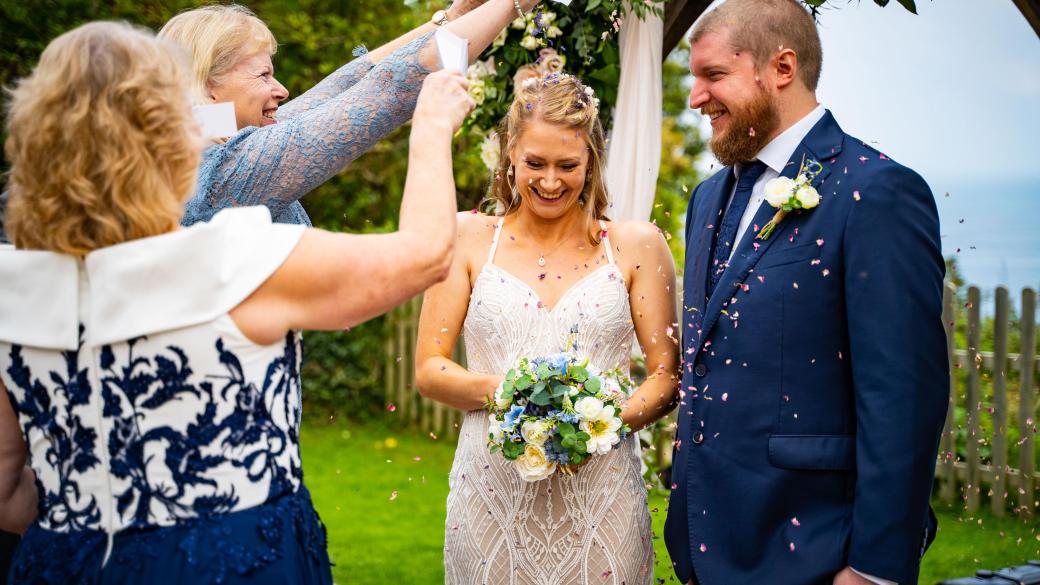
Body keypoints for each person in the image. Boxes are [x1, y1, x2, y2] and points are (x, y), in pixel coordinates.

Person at [0, 20, 472, 584]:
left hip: (65, 562)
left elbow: (8, 491)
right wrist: (433, 125)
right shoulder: (235, 257)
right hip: (238, 560)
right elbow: (422, 255)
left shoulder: (11, 284)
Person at [663, 1, 949, 584]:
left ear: (782, 68)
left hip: (813, 550)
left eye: (714, 76)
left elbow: (903, 398)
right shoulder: (706, 198)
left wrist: (874, 570)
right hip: (705, 545)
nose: (696, 97)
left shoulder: (877, 192)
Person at [414, 71, 680, 585]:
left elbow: (665, 375)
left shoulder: (635, 244)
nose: (551, 182)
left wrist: (595, 426)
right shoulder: (468, 237)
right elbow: (430, 368)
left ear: (592, 161)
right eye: (535, 163)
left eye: (568, 165)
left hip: (602, 493)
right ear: (509, 152)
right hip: (492, 493)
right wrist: (510, 397)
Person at [159, 0, 540, 227]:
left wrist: (451, 16)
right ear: (207, 85)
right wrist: (513, 4)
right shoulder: (225, 171)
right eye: (264, 75)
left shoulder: (206, 149)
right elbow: (390, 89)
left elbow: (348, 83)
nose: (282, 91)